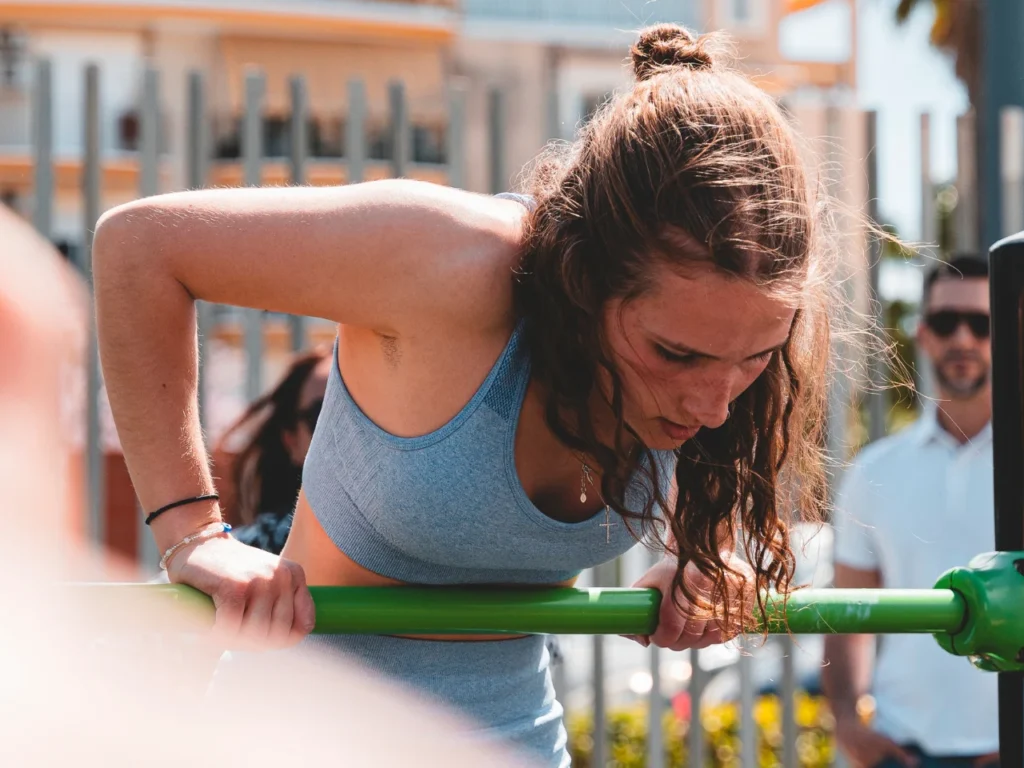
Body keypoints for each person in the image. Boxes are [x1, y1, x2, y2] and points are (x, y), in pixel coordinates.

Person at [93, 24, 838, 767]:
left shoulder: (720, 352)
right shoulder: (449, 261)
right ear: (584, 280)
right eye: (675, 354)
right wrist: (191, 533)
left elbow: (707, 478)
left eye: (754, 360)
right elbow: (138, 248)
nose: (714, 405)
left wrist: (704, 561)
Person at [0, 205, 530, 768]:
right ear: (292, 439)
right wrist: (193, 539)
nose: (351, 427)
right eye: (324, 413)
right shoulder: (238, 552)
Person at [823, 255, 999, 768]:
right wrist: (848, 722)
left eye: (982, 324)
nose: (963, 338)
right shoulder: (874, 471)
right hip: (902, 751)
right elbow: (847, 613)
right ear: (923, 334)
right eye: (946, 322)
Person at [219, 348, 332, 554]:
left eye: (369, 412)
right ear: (292, 442)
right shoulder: (245, 556)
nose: (350, 433)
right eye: (322, 415)